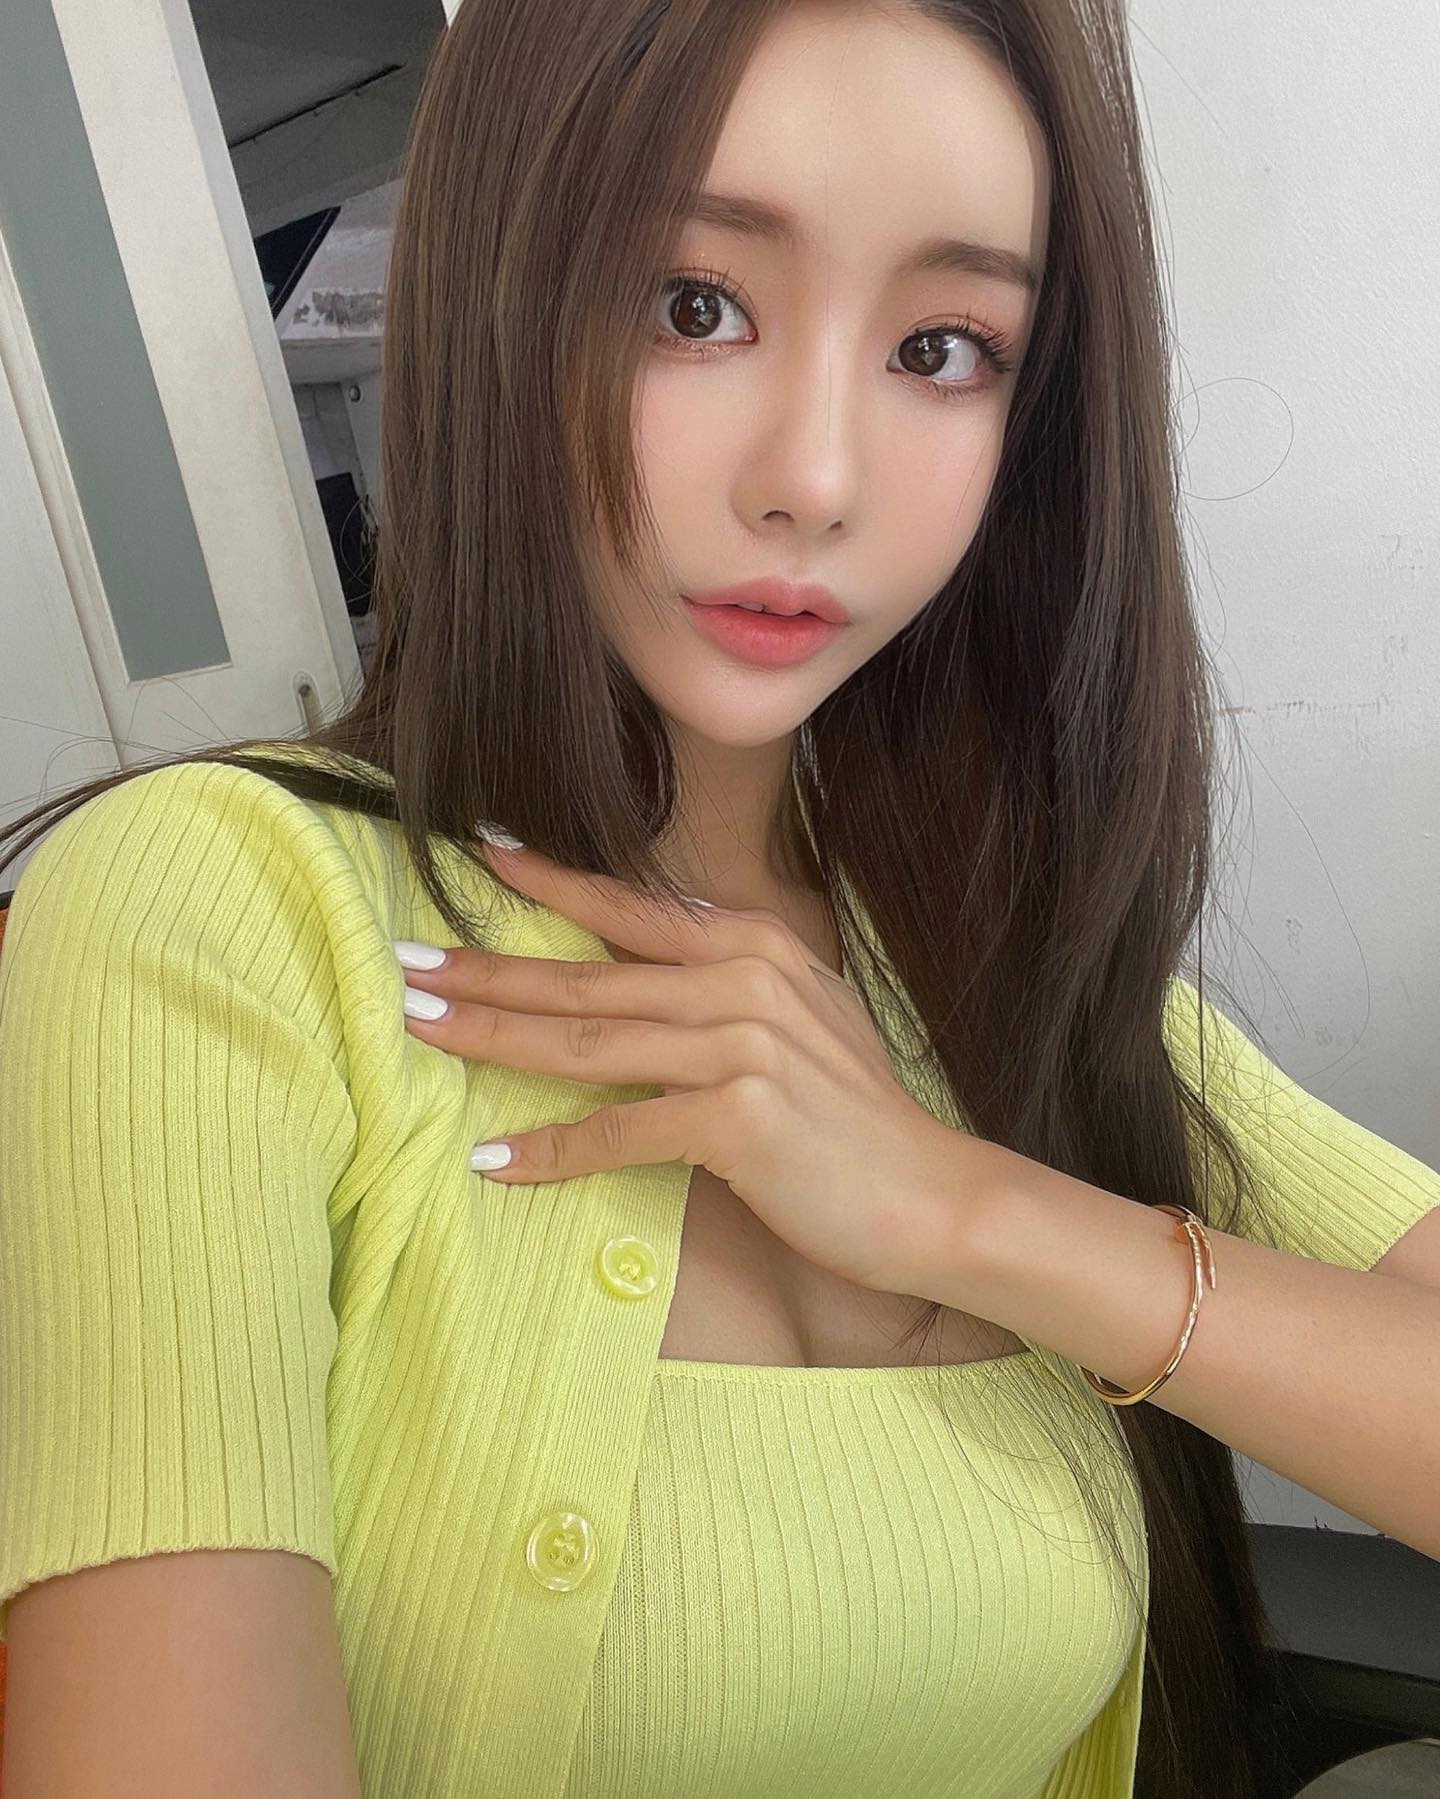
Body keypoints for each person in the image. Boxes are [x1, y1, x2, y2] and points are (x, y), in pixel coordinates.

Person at [0, 3, 1436, 1795]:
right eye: (693, 306)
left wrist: (963, 1207)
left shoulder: (993, 959)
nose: (813, 481)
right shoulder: (223, 910)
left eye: (940, 348)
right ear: (502, 293)